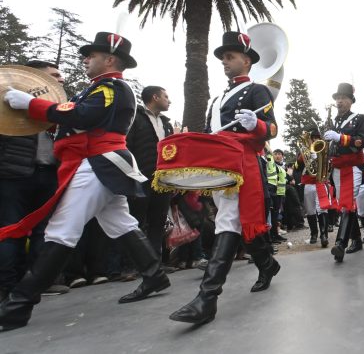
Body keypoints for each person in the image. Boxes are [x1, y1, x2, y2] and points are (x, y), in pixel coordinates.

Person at [1, 32, 170, 331]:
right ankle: (154, 274)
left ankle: (18, 305)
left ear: (109, 59)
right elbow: (72, 118)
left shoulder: (111, 87)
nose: (85, 59)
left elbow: (83, 116)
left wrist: (32, 103)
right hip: (98, 163)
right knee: (121, 222)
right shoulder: (100, 88)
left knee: (60, 230)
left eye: (91, 55)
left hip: (98, 163)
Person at [169, 31, 280, 325]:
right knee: (240, 224)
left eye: (230, 57)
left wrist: (255, 123)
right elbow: (208, 134)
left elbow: (272, 130)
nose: (224, 62)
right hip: (219, 166)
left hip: (242, 163)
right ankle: (268, 265)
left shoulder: (257, 91)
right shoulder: (217, 99)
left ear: (246, 60)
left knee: (228, 221)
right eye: (223, 58)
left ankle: (207, 298)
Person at [0, 61, 68, 302]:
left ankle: (37, 283)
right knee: (11, 230)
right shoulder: (7, 102)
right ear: (34, 78)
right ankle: (8, 286)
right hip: (13, 175)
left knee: (45, 231)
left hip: (49, 173)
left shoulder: (58, 107)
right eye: (54, 75)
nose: (60, 79)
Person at [126, 86, 174, 260]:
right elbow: (127, 146)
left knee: (158, 221)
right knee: (135, 220)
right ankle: (130, 265)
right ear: (155, 97)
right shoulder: (135, 118)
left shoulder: (166, 123)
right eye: (166, 96)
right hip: (140, 178)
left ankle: (154, 263)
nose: (169, 100)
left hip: (163, 180)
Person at [324, 83, 364, 262]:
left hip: (352, 165)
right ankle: (357, 240)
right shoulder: (333, 121)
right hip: (337, 166)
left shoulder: (360, 118)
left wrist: (340, 138)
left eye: (343, 98)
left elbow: (361, 140)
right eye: (337, 98)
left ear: (351, 101)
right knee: (344, 203)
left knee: (347, 202)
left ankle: (340, 243)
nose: (339, 101)